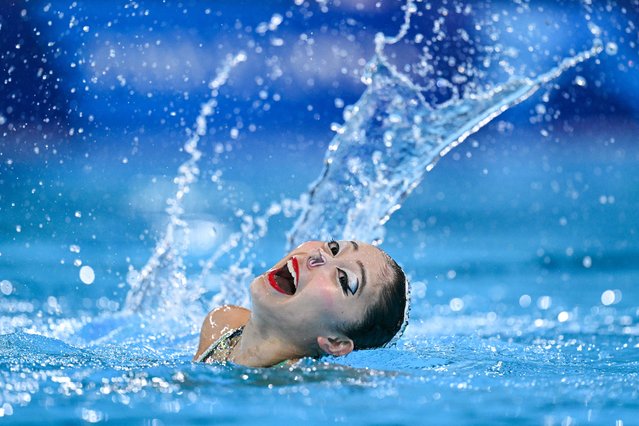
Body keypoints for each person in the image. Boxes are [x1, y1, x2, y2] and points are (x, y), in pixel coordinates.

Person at [193, 240, 408, 367]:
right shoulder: (222, 323)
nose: (318, 256)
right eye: (333, 248)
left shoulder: (300, 385)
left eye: (344, 279)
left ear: (335, 343)